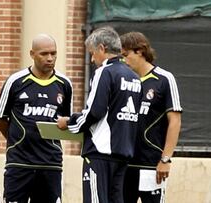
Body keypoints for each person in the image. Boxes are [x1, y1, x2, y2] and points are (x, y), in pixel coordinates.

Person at [57, 26, 142, 203]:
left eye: (92, 53)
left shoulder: (104, 72)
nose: (92, 59)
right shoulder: (134, 77)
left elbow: (95, 111)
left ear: (102, 48)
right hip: (123, 152)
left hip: (100, 153)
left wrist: (70, 122)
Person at [0, 34, 73, 203]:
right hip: (19, 163)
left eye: (53, 53)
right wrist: (17, 139)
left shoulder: (64, 84)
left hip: (51, 163)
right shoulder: (15, 81)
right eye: (44, 54)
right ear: (32, 54)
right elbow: (0, 118)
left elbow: (67, 121)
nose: (50, 58)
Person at [120, 32, 182, 203]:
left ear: (140, 51)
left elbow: (175, 121)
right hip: (125, 165)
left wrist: (165, 159)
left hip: (152, 165)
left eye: (126, 55)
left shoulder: (163, 79)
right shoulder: (124, 80)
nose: (124, 61)